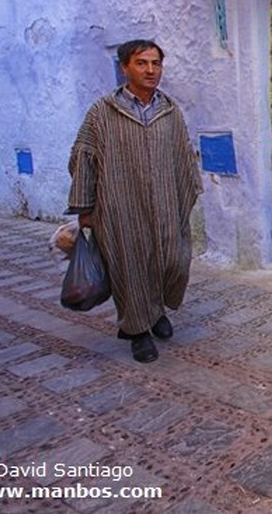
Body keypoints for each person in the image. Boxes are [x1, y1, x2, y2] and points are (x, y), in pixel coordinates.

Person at [67, 39, 203, 363]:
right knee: (130, 267)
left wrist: (186, 192)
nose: (151, 70)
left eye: (156, 63)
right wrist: (85, 209)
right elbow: (83, 156)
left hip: (166, 203)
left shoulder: (169, 110)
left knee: (172, 259)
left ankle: (155, 311)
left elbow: (183, 154)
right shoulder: (102, 112)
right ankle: (138, 330)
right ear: (125, 67)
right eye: (142, 63)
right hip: (120, 206)